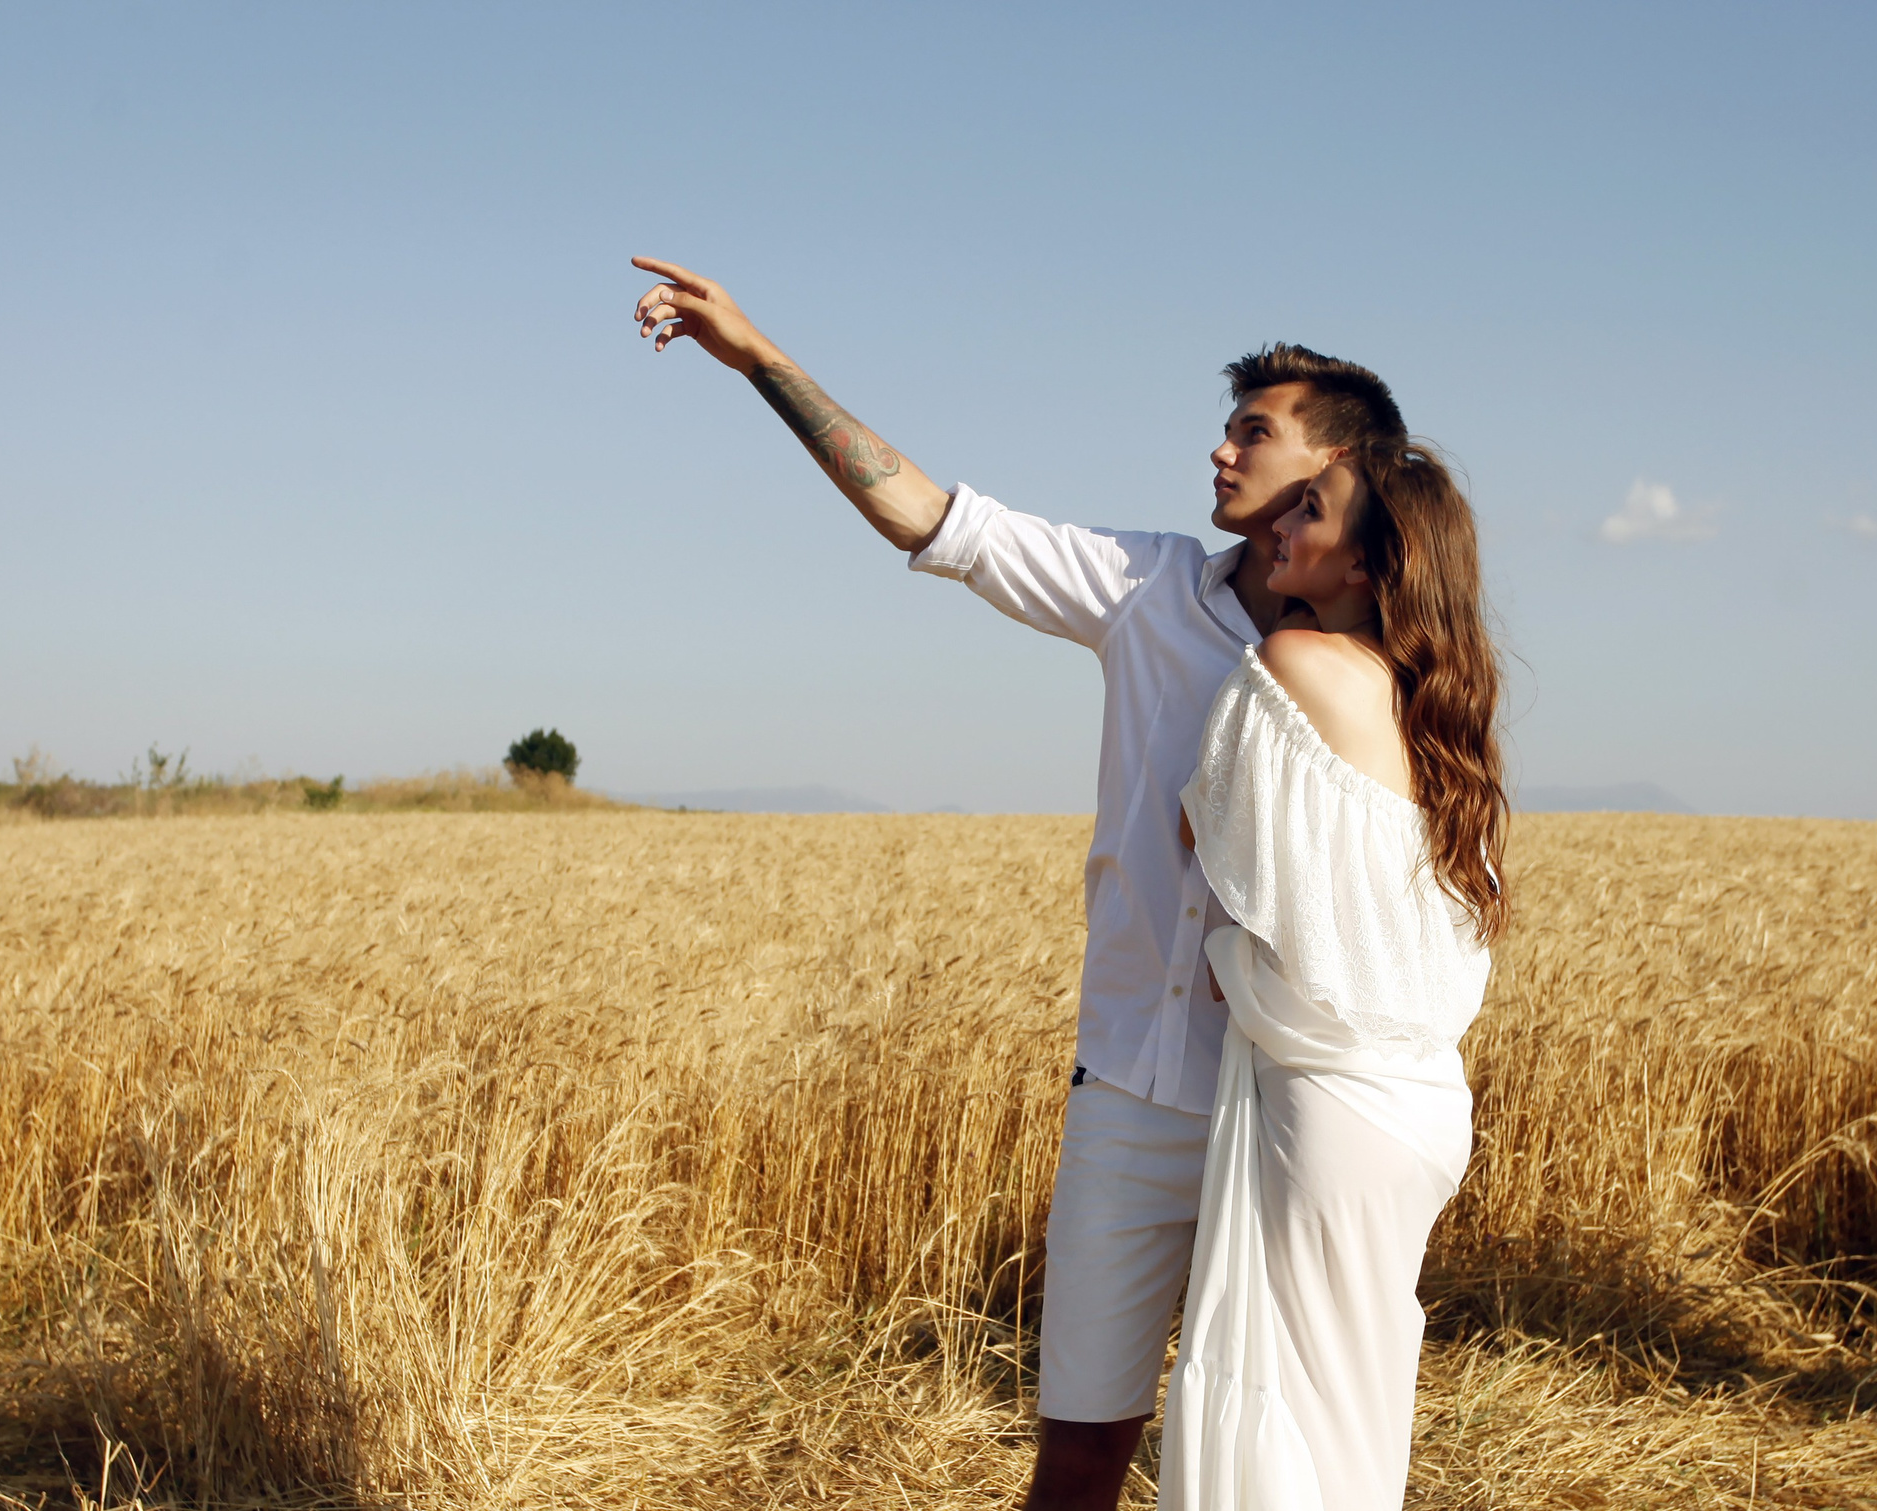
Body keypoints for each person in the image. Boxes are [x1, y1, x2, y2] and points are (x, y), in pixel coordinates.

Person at [627, 256, 1407, 1509]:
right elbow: (930, 518)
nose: (1218, 451)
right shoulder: (1145, 585)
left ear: (1331, 472)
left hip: (1280, 1115)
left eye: (1251, 433)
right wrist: (759, 357)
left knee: (1275, 1455)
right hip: (1125, 1096)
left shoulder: (1388, 676)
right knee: (1080, 1454)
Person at [1162, 441, 1506, 1510]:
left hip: (1326, 1103)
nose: (1275, 524)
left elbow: (1200, 832)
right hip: (1418, 1110)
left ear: (1363, 566)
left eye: (1307, 510)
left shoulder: (1296, 663)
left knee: (1282, 1408)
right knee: (1354, 1413)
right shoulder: (1441, 716)